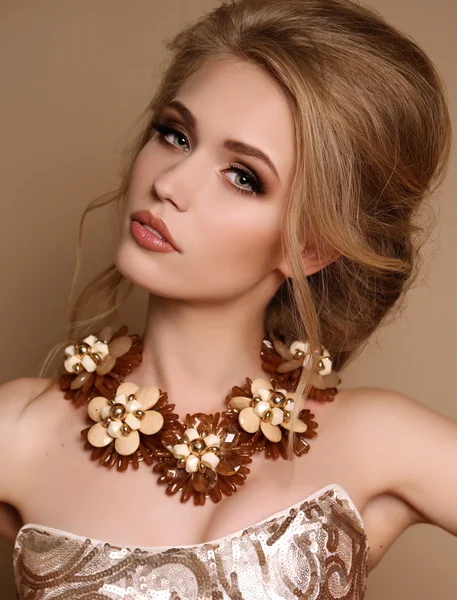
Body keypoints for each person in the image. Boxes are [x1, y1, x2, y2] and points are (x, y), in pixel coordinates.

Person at [2, 0, 456, 597]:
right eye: (175, 134)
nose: (168, 183)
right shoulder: (20, 434)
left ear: (310, 246)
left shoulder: (380, 442)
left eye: (243, 176)